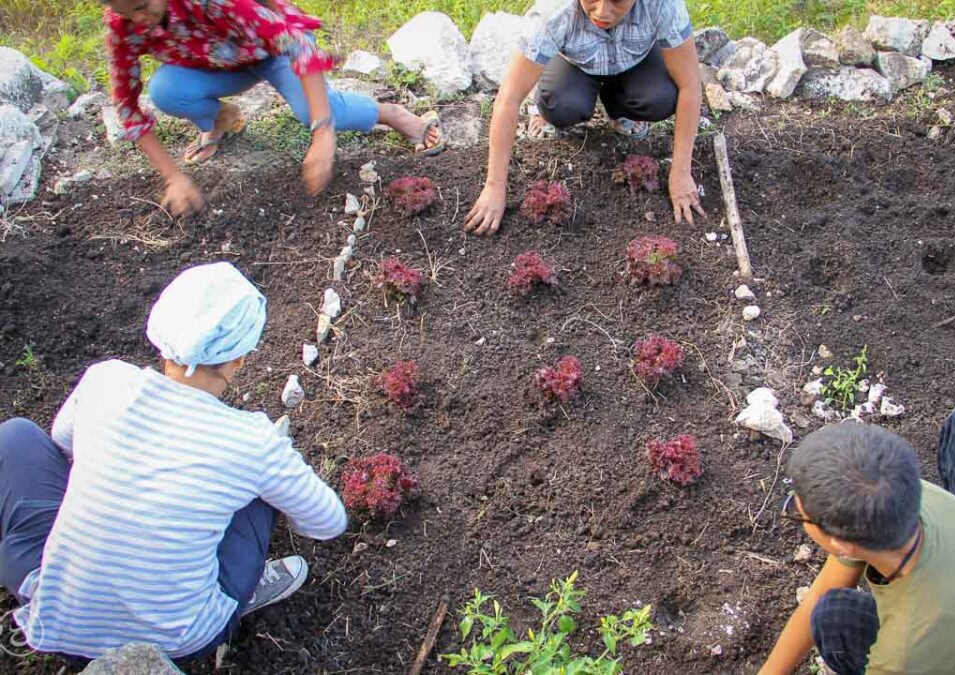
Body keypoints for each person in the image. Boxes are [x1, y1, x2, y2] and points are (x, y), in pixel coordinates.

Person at [0, 262, 347, 662]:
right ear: (239, 359)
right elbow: (328, 521)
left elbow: (61, 447)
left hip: (60, 626)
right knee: (262, 497)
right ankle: (235, 599)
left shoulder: (105, 381)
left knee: (15, 437)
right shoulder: (251, 441)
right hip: (175, 644)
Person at [760, 404, 955, 674]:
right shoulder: (892, 496)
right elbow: (821, 591)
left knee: (836, 622)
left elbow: (825, 604)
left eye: (796, 511)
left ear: (843, 543)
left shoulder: (906, 649)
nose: (794, 509)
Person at [103, 0, 447, 217]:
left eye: (143, 5)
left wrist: (323, 131)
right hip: (217, 64)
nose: (139, 19)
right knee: (166, 91)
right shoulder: (124, 25)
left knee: (315, 113)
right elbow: (127, 106)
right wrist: (173, 177)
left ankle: (394, 115)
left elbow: (295, 43)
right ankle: (223, 119)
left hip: (275, 50)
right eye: (126, 12)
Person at [464, 0, 705, 236]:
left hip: (636, 60)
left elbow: (690, 85)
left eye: (617, 1)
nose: (602, 11)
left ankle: (620, 109)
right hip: (576, 65)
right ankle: (546, 108)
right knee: (560, 104)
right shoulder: (553, 12)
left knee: (659, 98)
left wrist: (681, 172)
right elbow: (508, 97)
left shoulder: (663, 4)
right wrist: (494, 187)